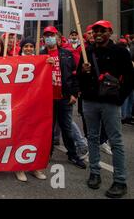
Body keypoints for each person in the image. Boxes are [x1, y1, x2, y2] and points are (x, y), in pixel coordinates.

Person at [77, 20, 133, 198]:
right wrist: (83, 72)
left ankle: (120, 181)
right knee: (92, 138)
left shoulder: (120, 52)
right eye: (95, 31)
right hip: (90, 102)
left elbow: (131, 78)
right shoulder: (88, 52)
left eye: (102, 31)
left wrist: (119, 99)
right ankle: (95, 173)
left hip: (110, 103)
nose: (98, 34)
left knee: (115, 141)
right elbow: (79, 79)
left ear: (110, 32)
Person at [41, 26, 86, 170]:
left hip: (64, 98)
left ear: (57, 37)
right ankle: (47, 154)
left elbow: (74, 76)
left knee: (66, 128)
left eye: (51, 35)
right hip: (47, 99)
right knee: (48, 128)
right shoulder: (40, 55)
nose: (49, 38)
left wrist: (74, 93)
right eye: (46, 35)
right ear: (43, 39)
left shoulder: (67, 54)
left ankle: (72, 154)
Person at [12, 37, 48, 182]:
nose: (28, 48)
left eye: (30, 46)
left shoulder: (41, 60)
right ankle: (19, 168)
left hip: (36, 103)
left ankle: (35, 167)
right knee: (20, 134)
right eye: (25, 46)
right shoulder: (14, 61)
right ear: (21, 48)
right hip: (20, 104)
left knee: (37, 135)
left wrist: (48, 63)